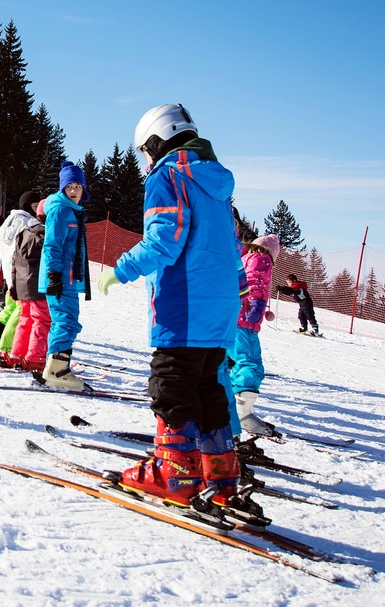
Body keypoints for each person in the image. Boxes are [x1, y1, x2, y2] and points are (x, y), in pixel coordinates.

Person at [96, 104, 263, 524]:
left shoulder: (167, 176)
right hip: (221, 306)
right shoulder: (216, 185)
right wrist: (239, 289)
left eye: (144, 151)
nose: (144, 161)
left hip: (185, 302)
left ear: (157, 139)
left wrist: (120, 269)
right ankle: (220, 474)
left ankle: (175, 474)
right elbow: (232, 249)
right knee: (207, 387)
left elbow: (164, 241)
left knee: (170, 381)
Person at [38, 163, 90, 389]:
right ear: (62, 189)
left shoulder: (72, 211)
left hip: (68, 278)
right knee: (66, 321)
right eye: (69, 186)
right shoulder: (61, 210)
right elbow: (52, 245)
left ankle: (54, 366)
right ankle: (57, 371)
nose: (74, 190)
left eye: (78, 186)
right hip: (61, 278)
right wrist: (54, 276)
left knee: (65, 320)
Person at [230, 235, 280, 437]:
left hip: (231, 318)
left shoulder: (244, 257)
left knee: (236, 363)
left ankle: (228, 405)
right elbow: (256, 280)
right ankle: (242, 414)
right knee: (250, 364)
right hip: (244, 321)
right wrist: (257, 303)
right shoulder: (262, 258)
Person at [0, 191, 41, 355]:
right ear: (27, 206)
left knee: (10, 309)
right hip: (21, 274)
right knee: (20, 312)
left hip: (10, 275)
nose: (38, 210)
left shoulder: (9, 221)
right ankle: (7, 346)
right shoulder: (28, 223)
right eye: (35, 206)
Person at [9, 199, 51, 372]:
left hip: (22, 285)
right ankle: (35, 357)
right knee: (41, 320)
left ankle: (17, 354)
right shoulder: (44, 234)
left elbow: (15, 260)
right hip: (37, 285)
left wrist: (13, 284)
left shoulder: (24, 232)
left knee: (25, 319)